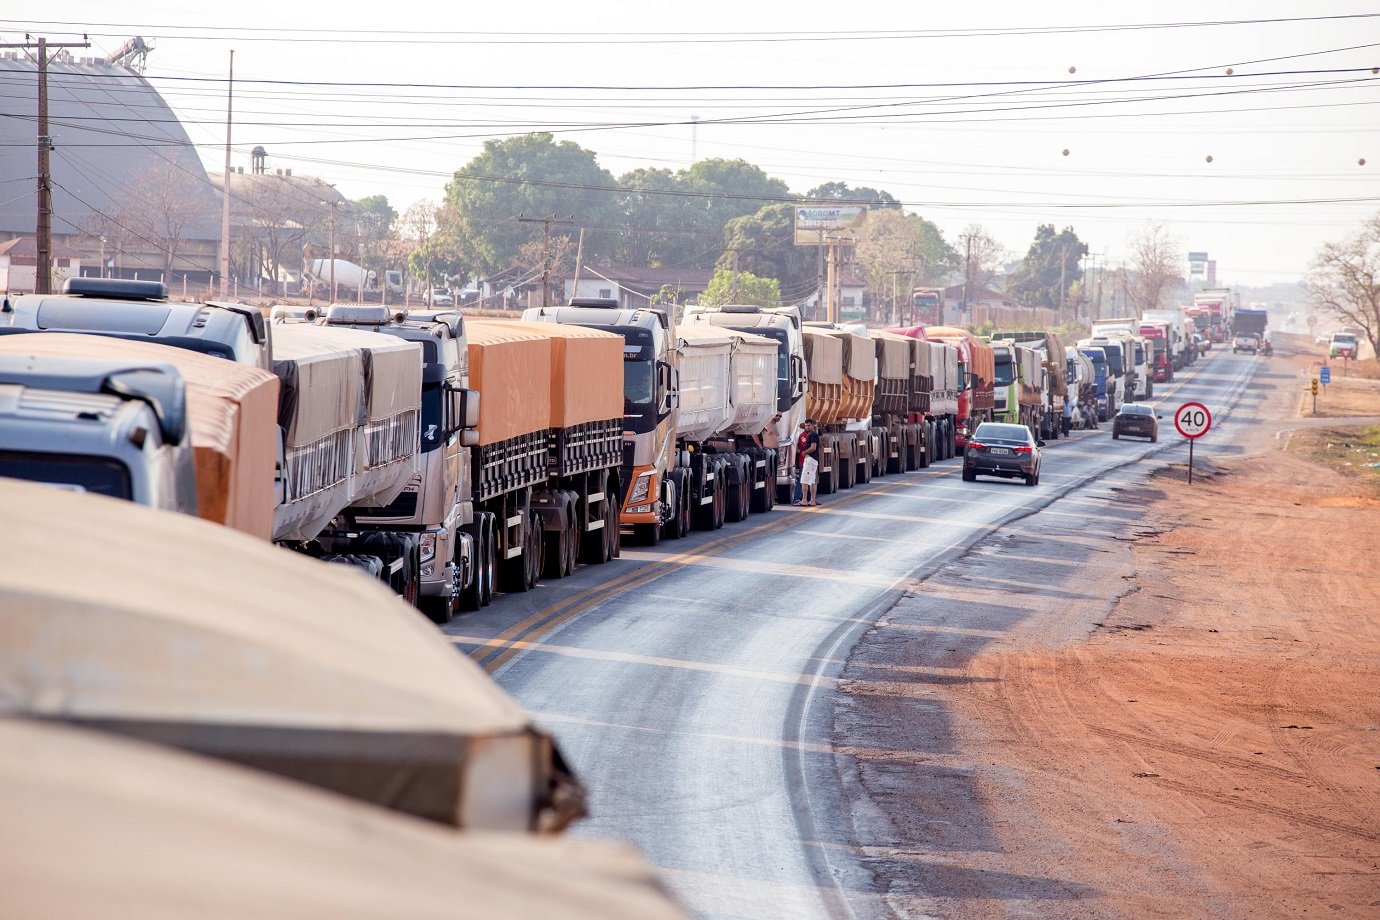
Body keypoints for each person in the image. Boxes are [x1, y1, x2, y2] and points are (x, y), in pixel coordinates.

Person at [795, 419, 821, 506]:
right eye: (806, 426)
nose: (807, 427)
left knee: (804, 480)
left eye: (809, 425)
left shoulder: (813, 435)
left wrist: (804, 452)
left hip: (810, 459)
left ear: (813, 426)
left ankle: (804, 500)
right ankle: (812, 500)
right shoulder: (812, 435)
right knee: (811, 480)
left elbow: (813, 447)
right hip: (812, 460)